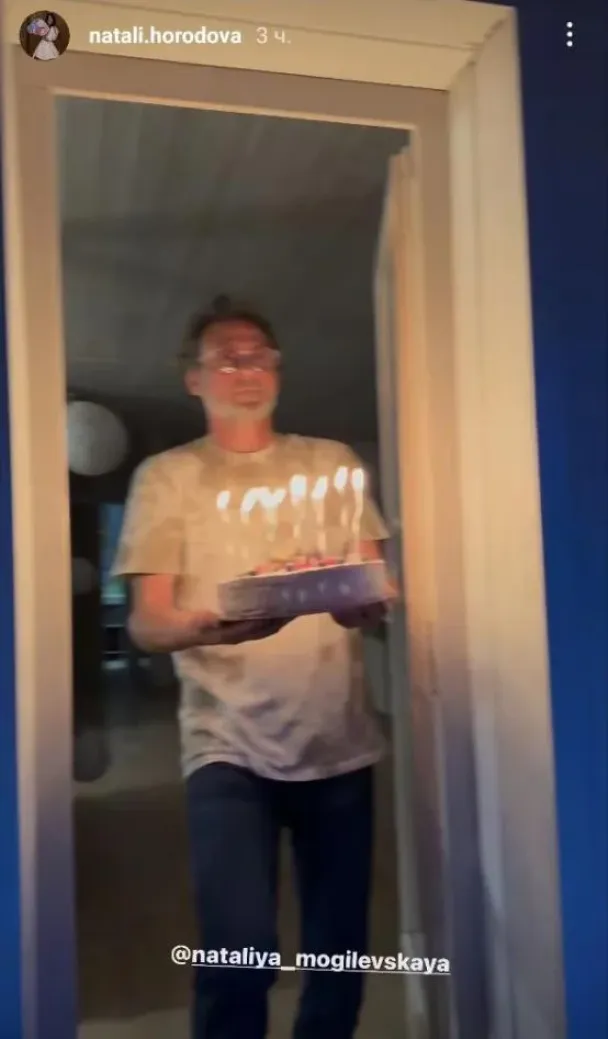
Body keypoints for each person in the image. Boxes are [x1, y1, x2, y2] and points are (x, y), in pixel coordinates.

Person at [112, 296, 391, 1039]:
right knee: (237, 953)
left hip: (338, 740)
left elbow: (369, 584)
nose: (246, 369)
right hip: (226, 744)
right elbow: (146, 621)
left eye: (259, 354)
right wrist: (208, 625)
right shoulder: (168, 478)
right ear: (193, 379)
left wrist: (364, 605)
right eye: (227, 357)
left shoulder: (330, 463)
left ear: (279, 370)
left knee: (339, 952)